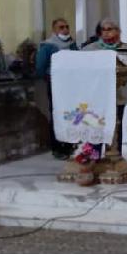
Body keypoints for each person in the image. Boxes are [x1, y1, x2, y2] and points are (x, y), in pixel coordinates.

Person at [82, 18, 127, 154]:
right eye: (103, 30)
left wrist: (123, 74)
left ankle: (115, 158)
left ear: (117, 31)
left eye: (110, 29)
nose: (106, 33)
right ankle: (93, 158)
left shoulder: (123, 48)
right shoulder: (90, 49)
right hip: (97, 97)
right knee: (95, 127)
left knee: (115, 128)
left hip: (118, 95)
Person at [35, 18, 78, 159]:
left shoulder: (72, 44)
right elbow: (40, 67)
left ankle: (70, 145)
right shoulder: (47, 46)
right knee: (58, 114)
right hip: (56, 85)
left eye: (67, 26)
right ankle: (58, 147)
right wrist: (50, 77)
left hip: (71, 85)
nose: (65, 29)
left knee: (72, 114)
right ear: (54, 30)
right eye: (61, 27)